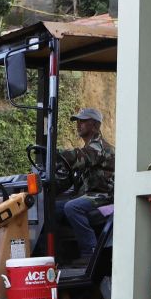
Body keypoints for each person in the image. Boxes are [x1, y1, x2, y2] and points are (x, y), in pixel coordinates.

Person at [55, 108, 115, 266]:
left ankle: (91, 252)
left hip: (104, 194)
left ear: (94, 125)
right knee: (51, 207)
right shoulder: (89, 147)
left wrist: (56, 154)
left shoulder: (99, 147)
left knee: (72, 207)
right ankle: (55, 255)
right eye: (78, 121)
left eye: (83, 121)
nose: (78, 124)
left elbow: (81, 157)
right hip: (89, 194)